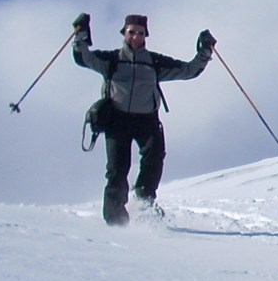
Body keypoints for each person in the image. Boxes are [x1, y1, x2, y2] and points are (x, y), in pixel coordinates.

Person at [72, 13, 214, 226]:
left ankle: (144, 202)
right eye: (131, 32)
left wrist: (204, 52)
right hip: (117, 120)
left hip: (146, 120)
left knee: (154, 159)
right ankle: (116, 222)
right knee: (117, 170)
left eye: (140, 33)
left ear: (146, 35)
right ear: (124, 33)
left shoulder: (154, 63)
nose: (136, 37)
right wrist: (81, 34)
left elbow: (188, 70)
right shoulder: (111, 60)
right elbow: (84, 58)